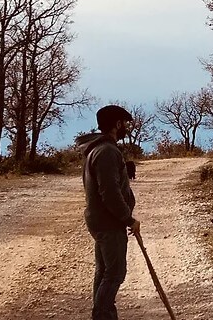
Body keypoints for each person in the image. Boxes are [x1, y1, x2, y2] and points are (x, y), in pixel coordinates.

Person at [75, 105, 141, 320]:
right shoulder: (106, 151)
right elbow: (109, 193)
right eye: (125, 123)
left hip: (102, 220)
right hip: (109, 222)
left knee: (104, 272)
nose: (126, 128)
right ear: (117, 124)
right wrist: (128, 218)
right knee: (115, 273)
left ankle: (104, 315)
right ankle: (102, 315)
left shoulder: (99, 149)